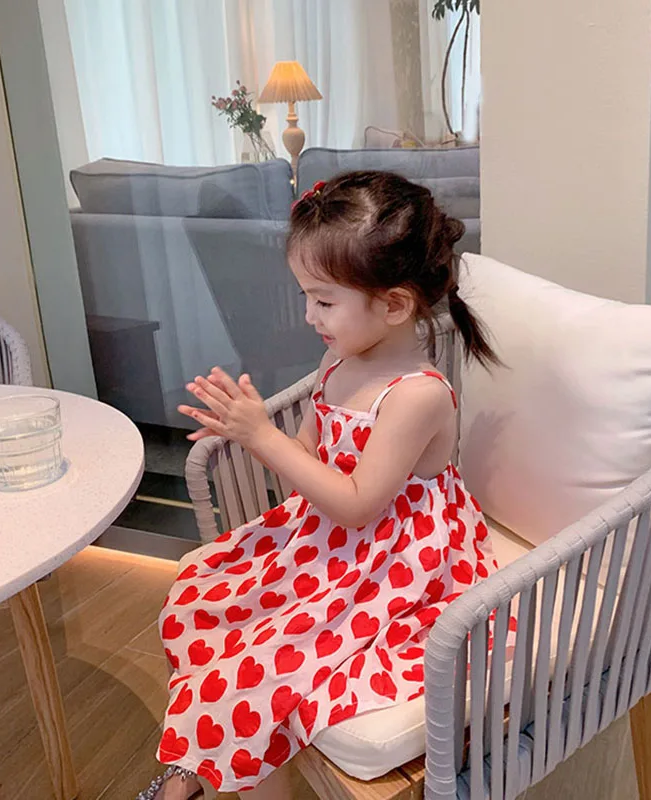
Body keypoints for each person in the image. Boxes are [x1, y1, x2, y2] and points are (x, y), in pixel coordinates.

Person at [137, 171, 501, 800]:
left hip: (395, 561)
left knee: (264, 666)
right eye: (306, 296)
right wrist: (250, 429)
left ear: (394, 305)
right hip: (327, 539)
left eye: (324, 302)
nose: (308, 316)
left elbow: (359, 505)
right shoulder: (338, 359)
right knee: (198, 601)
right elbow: (308, 455)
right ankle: (208, 764)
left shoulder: (417, 395)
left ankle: (198, 772)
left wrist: (262, 435)